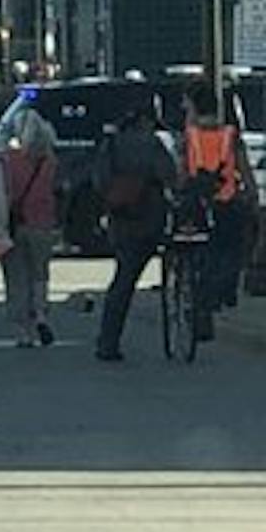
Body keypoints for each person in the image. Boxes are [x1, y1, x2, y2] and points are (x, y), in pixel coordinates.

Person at [93, 102, 180, 362]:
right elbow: (169, 175)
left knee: (123, 280)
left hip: (122, 220)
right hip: (151, 217)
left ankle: (108, 341)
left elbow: (99, 180)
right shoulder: (153, 144)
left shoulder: (112, 144)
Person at [182, 81, 257, 339]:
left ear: (192, 107)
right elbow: (244, 169)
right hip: (228, 200)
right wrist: (252, 195)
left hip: (196, 204)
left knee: (202, 253)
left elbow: (180, 172)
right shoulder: (230, 135)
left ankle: (202, 298)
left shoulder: (188, 137)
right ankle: (223, 291)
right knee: (232, 249)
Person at [0, 109, 60, 349]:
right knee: (40, 274)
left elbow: (2, 192)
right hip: (43, 224)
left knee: (17, 278)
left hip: (14, 224)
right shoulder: (50, 161)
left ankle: (24, 331)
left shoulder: (9, 160)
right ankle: (42, 315)